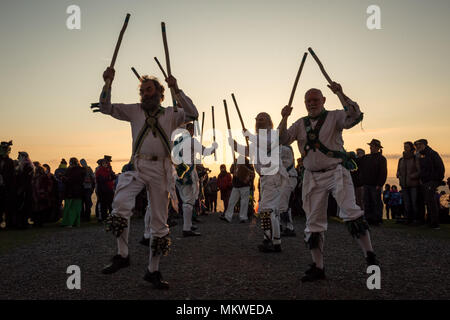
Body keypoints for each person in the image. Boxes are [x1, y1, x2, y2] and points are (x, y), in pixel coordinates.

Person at [95, 66, 198, 290]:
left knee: (160, 223)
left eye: (148, 89)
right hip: (137, 165)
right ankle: (122, 255)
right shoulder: (134, 110)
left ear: (160, 92)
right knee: (120, 204)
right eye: (142, 90)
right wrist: (107, 83)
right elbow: (105, 107)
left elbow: (193, 114)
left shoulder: (172, 113)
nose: (144, 93)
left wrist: (177, 88)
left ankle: (153, 270)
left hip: (161, 170)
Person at [279, 82, 378, 282]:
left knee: (350, 211)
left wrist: (339, 92)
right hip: (312, 176)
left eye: (315, 100)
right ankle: (318, 267)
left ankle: (370, 257)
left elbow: (354, 116)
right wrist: (284, 117)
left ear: (324, 100)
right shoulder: (299, 123)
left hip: (336, 172)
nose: (312, 103)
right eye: (308, 101)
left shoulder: (334, 116)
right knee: (313, 221)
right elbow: (283, 139)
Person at [229, 112, 287, 252]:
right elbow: (248, 151)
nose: (260, 121)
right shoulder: (257, 139)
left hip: (273, 175)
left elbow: (268, 145)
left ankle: (271, 240)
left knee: (267, 209)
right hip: (265, 178)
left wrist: (250, 136)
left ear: (269, 121)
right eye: (258, 119)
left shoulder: (272, 134)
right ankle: (274, 241)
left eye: (263, 118)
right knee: (268, 210)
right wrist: (235, 145)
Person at [172, 122, 217, 237]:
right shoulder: (191, 141)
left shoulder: (176, 142)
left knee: (186, 199)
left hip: (177, 172)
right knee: (188, 200)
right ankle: (186, 228)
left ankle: (189, 223)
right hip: (187, 172)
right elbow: (205, 152)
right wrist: (214, 147)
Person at [414, 139, 445, 229]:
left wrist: (436, 179)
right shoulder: (421, 155)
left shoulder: (432, 154)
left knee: (431, 201)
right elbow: (422, 170)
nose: (417, 146)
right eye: (416, 145)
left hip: (431, 181)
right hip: (425, 181)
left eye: (419, 145)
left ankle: (434, 223)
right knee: (427, 201)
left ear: (424, 145)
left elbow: (440, 168)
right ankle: (428, 221)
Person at [359, 139, 387, 225]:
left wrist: (379, 184)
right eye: (371, 146)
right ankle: (368, 219)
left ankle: (377, 219)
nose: (371, 147)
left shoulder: (382, 159)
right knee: (367, 202)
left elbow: (383, 172)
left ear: (377, 148)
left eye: (373, 146)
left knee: (376, 202)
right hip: (366, 184)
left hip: (375, 185)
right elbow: (360, 168)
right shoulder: (366, 157)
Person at [396, 141, 420, 224]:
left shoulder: (415, 158)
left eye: (407, 146)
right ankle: (408, 219)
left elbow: (419, 171)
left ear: (411, 148)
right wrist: (398, 175)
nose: (405, 148)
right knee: (406, 203)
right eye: (404, 146)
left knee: (414, 202)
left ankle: (416, 219)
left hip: (413, 184)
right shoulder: (401, 160)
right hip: (404, 184)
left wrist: (412, 176)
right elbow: (398, 170)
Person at [61, 158, 86, 227]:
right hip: (79, 191)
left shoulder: (70, 170)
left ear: (71, 163)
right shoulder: (82, 170)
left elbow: (70, 181)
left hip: (71, 191)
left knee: (70, 208)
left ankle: (70, 223)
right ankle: (77, 223)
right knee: (77, 208)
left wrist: (63, 178)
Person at [279, 145, 297, 237]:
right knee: (283, 205)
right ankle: (283, 226)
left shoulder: (284, 148)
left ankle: (289, 227)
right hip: (286, 179)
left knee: (283, 205)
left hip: (289, 178)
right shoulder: (284, 147)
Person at [15, 152, 34, 229]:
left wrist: (22, 188)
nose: (17, 158)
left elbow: (26, 180)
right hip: (23, 188)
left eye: (19, 156)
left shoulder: (27, 167)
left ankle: (24, 223)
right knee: (21, 206)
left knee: (24, 206)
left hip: (25, 189)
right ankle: (21, 223)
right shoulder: (22, 166)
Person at [0, 141, 16, 229]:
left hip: (7, 187)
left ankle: (9, 224)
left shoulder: (10, 161)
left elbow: (12, 175)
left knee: (8, 206)